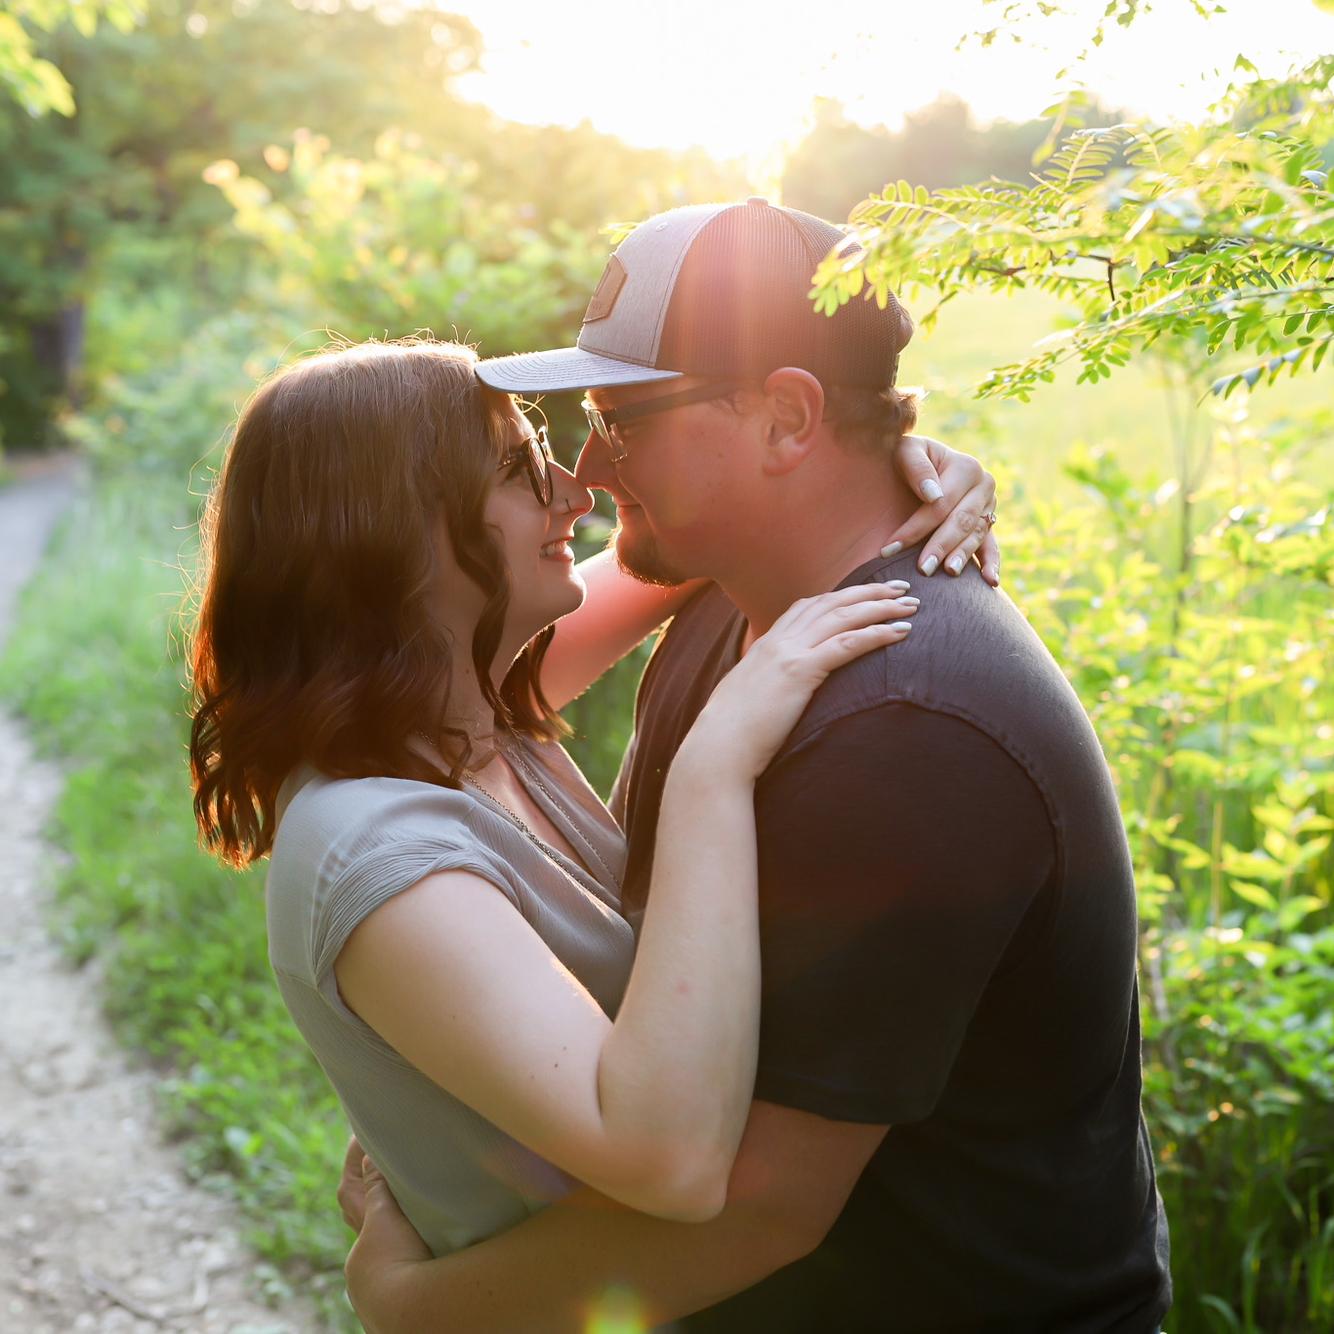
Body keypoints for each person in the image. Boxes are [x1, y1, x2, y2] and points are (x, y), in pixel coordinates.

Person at [341, 199, 1173, 1332]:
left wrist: (414, 1304)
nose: (586, 466)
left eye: (621, 418)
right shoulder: (735, 601)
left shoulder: (905, 730)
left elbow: (751, 1206)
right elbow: (428, 677)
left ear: (787, 416)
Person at [186, 337, 992, 1266]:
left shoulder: (460, 711)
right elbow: (673, 1167)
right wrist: (709, 770)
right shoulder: (378, 860)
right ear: (392, 531)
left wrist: (909, 473)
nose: (574, 493)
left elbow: (726, 530)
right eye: (521, 472)